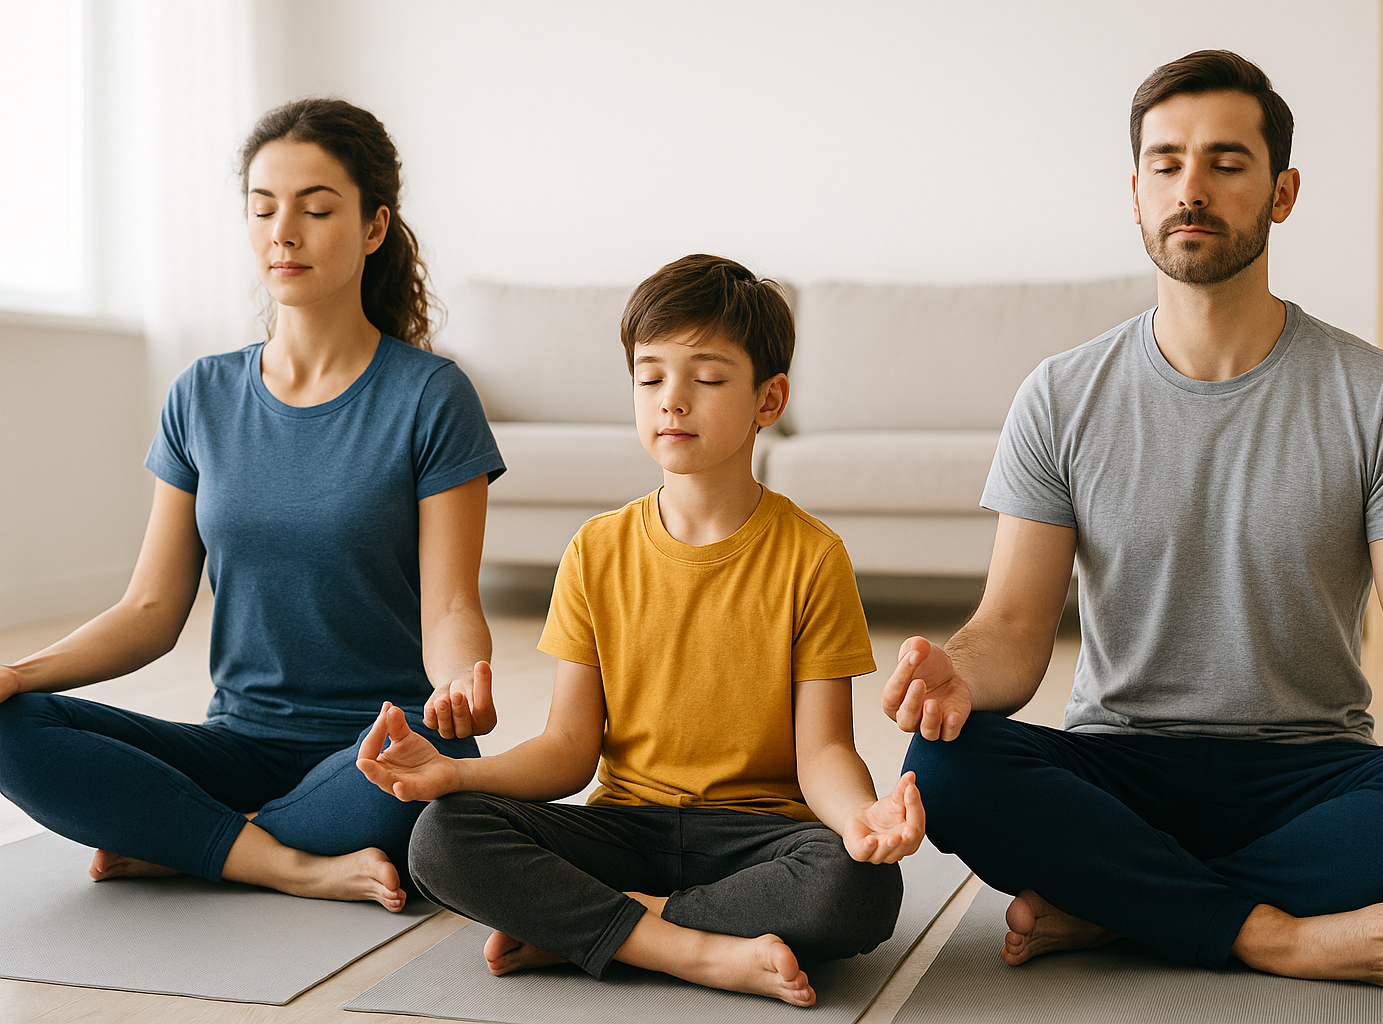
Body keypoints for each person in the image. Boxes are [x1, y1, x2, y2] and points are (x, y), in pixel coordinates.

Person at [882, 50, 1383, 998]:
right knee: (946, 768)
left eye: (1227, 164)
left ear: (1282, 191)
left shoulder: (1377, 394)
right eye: (1166, 163)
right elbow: (1013, 632)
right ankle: (1280, 934)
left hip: (1308, 772)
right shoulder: (1060, 396)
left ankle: (1119, 905)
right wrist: (955, 675)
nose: (1192, 189)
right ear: (1134, 192)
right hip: (1117, 767)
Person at [357, 254, 923, 1006]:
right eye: (650, 377)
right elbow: (567, 751)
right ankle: (693, 951)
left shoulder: (813, 557)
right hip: (623, 833)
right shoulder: (596, 550)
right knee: (440, 836)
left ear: (768, 398)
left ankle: (606, 930)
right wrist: (456, 774)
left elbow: (821, 749)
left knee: (859, 886)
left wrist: (861, 819)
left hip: (757, 839)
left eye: (708, 379)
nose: (673, 402)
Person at [0, 98, 505, 912]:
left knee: (426, 771)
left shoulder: (431, 397)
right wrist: (15, 672)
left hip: (380, 744)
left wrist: (457, 687)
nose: (285, 232)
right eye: (263, 208)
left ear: (375, 228)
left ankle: (190, 838)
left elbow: (450, 604)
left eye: (316, 208)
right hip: (238, 741)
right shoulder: (201, 394)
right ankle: (280, 860)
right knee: (12, 728)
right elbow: (151, 608)